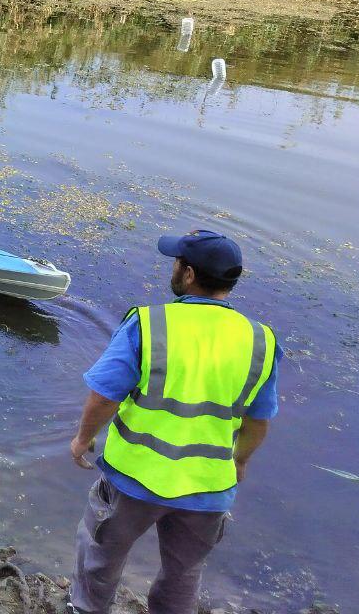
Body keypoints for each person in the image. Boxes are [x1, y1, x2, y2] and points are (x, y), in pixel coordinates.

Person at [67, 230, 281, 614]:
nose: (173, 267)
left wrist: (83, 439)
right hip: (208, 488)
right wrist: (240, 461)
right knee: (183, 575)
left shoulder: (149, 324)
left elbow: (105, 396)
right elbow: (258, 422)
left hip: (134, 479)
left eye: (176, 262)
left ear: (188, 274)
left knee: (100, 560)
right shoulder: (260, 340)